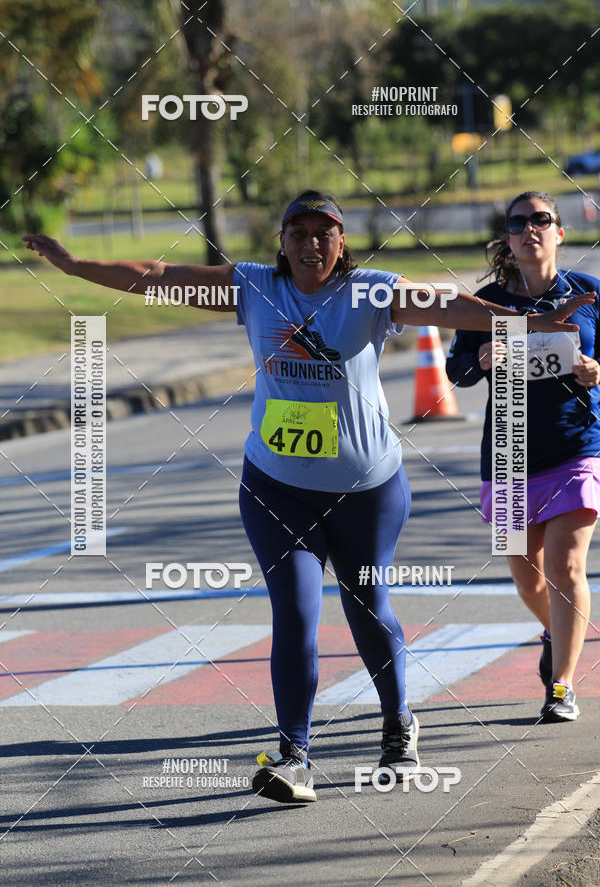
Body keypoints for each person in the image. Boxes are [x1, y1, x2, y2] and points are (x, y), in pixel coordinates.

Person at [24, 189, 594, 804]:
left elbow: (451, 307)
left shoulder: (371, 290)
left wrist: (528, 323)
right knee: (294, 614)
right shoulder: (251, 287)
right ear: (282, 242)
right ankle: (294, 755)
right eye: (298, 232)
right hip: (276, 487)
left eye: (324, 233)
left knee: (367, 606)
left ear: (341, 242)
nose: (311, 244)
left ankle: (399, 722)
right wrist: (79, 267)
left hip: (367, 490)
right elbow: (161, 275)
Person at [446, 190, 600, 724]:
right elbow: (456, 373)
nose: (530, 229)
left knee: (565, 565)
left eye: (541, 220)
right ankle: (558, 631)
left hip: (576, 445)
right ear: (508, 238)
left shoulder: (589, 295)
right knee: (526, 574)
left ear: (559, 231)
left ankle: (561, 686)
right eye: (519, 222)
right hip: (509, 448)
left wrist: (595, 371)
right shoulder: (484, 302)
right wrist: (483, 357)